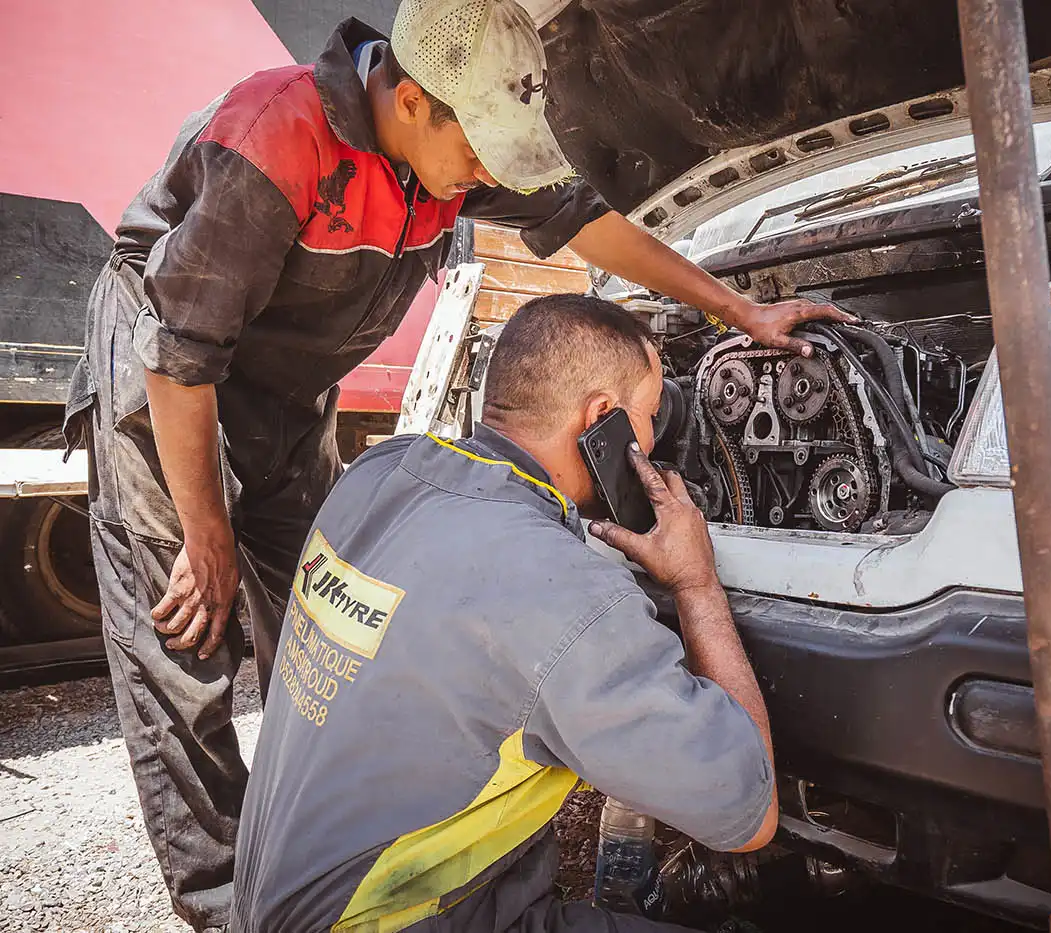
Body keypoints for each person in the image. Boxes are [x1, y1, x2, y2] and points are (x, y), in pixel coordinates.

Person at [63, 0, 849, 928]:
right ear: (410, 102)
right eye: (479, 153)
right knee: (188, 639)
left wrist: (740, 312)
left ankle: (339, 841)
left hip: (282, 393)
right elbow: (180, 354)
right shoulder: (275, 137)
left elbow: (588, 226)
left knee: (330, 621)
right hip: (167, 387)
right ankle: (222, 905)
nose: (485, 178)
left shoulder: (449, 153)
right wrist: (206, 534)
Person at [231, 293, 775, 932]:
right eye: (651, 418)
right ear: (604, 420)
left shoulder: (377, 472)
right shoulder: (564, 590)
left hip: (265, 906)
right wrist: (697, 583)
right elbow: (748, 811)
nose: (656, 441)